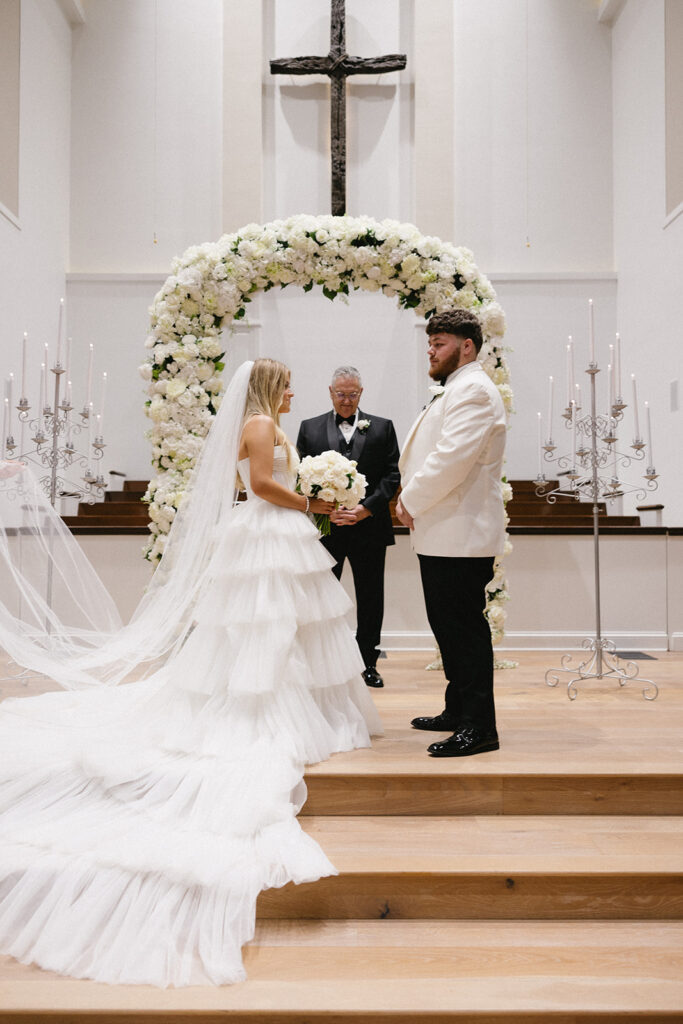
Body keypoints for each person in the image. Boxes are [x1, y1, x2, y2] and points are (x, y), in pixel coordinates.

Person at [0, 358, 382, 987]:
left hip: (281, 532)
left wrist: (318, 500)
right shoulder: (260, 426)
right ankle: (264, 706)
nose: (294, 392)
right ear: (265, 388)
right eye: (287, 383)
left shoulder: (265, 422)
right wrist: (316, 500)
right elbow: (260, 486)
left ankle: (294, 699)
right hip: (267, 532)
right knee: (266, 626)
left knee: (289, 628)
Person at [396, 310, 507, 757]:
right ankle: (458, 707)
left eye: (439, 342)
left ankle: (480, 727)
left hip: (460, 531)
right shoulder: (459, 389)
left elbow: (451, 459)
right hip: (445, 530)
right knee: (448, 625)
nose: (431, 349)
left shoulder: (475, 391)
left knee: (463, 630)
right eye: (430, 342)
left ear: (467, 346)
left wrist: (409, 500)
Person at [296, 367, 400, 688]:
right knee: (322, 597)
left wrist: (365, 509)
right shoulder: (309, 428)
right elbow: (301, 477)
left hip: (369, 528)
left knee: (371, 597)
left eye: (352, 394)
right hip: (327, 530)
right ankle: (323, 662)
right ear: (330, 392)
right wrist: (326, 507)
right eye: (341, 394)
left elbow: (392, 476)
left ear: (361, 392)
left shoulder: (382, 428)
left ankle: (368, 663)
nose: (346, 400)